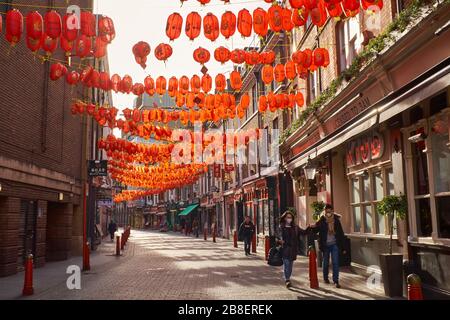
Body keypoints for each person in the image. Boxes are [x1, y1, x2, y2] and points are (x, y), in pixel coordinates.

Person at [309, 204, 345, 288]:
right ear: (325, 211)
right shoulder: (322, 220)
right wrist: (312, 227)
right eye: (327, 211)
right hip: (325, 245)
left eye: (330, 211)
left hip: (334, 244)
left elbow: (341, 234)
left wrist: (343, 247)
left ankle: (336, 280)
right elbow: (316, 229)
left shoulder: (336, 220)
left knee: (335, 263)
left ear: (332, 211)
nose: (328, 213)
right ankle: (325, 277)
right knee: (325, 263)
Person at [277, 211, 308, 288]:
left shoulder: (295, 227)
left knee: (290, 266)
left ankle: (288, 278)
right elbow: (278, 236)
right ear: (284, 218)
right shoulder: (281, 227)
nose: (289, 219)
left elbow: (303, 232)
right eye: (287, 217)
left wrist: (309, 227)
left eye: (290, 217)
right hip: (285, 248)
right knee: (286, 264)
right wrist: (279, 240)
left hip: (293, 249)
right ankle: (287, 280)